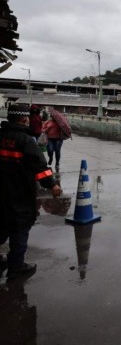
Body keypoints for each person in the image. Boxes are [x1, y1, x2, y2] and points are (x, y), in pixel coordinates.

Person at [0, 104, 62, 279]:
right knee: (19, 229)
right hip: (19, 193)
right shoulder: (25, 140)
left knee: (2, 224)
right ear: (24, 119)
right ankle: (16, 267)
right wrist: (53, 185)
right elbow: (39, 167)